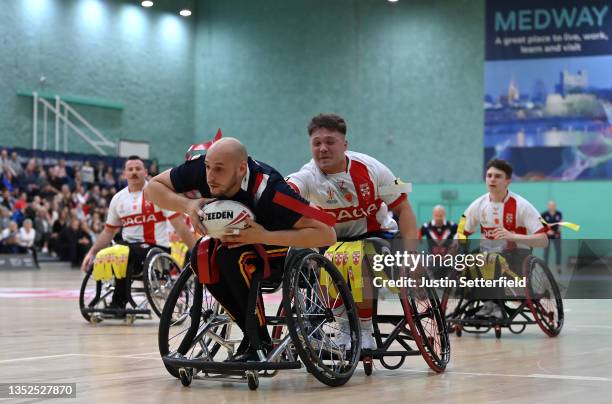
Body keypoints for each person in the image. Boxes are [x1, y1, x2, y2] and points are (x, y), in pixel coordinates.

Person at [144, 137, 336, 361]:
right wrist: (188, 205)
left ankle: (259, 340)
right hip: (235, 241)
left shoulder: (271, 190)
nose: (210, 176)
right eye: (208, 168)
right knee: (200, 255)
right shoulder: (203, 168)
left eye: (219, 170)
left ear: (241, 168)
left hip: (279, 245)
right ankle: (250, 332)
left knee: (232, 257)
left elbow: (327, 234)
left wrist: (263, 235)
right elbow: (152, 189)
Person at [286, 113, 417, 350]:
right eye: (316, 143)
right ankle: (344, 326)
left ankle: (364, 329)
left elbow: (405, 209)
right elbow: (288, 189)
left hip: (378, 237)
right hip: (334, 242)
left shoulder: (373, 167)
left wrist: (410, 255)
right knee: (322, 260)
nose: (323, 148)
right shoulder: (307, 175)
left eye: (330, 142)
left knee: (357, 256)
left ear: (344, 145)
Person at [81, 156, 196, 311]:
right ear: (124, 174)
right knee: (111, 253)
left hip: (156, 248)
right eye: (130, 169)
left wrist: (196, 252)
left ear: (146, 172)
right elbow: (108, 231)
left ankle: (118, 303)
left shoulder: (158, 194)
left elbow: (180, 227)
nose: (134, 172)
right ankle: (104, 299)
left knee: (125, 253)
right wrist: (92, 252)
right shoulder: (118, 198)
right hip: (127, 248)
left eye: (138, 169)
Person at [456, 159, 548, 318]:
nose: (492, 179)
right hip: (488, 256)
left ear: (508, 181)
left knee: (493, 261)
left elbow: (543, 240)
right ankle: (486, 303)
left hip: (516, 255)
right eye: (489, 175)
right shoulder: (478, 204)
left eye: (497, 176)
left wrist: (513, 236)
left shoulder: (522, 205)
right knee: (470, 261)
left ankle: (495, 305)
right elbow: (461, 231)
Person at [541, 200, 562, 274]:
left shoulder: (559, 213)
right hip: (547, 236)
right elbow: (542, 225)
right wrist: (547, 231)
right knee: (546, 251)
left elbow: (560, 223)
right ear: (548, 206)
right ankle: (545, 267)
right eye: (550, 205)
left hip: (556, 236)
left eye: (553, 205)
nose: (552, 207)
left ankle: (558, 266)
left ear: (555, 206)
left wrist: (558, 230)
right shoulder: (544, 214)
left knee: (558, 251)